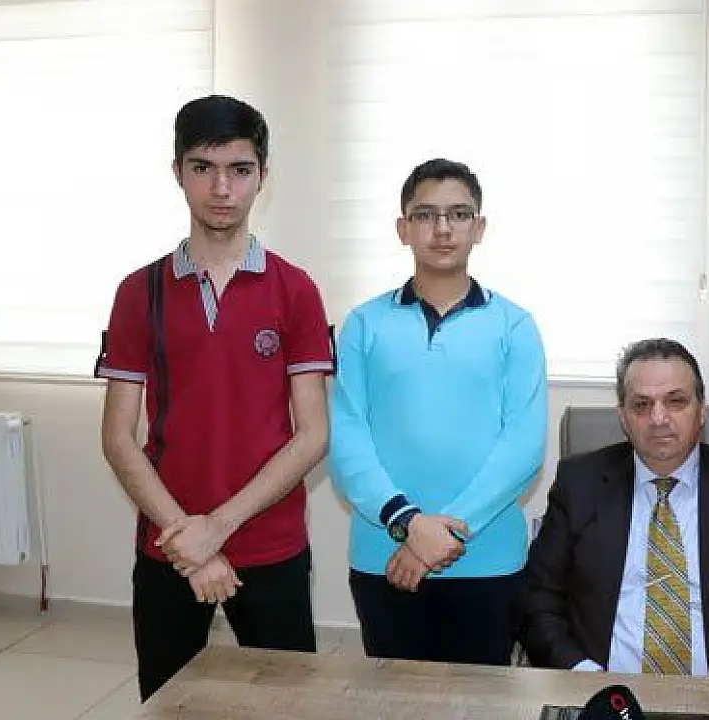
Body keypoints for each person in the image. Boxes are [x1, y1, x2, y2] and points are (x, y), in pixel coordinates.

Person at [95, 95, 333, 701]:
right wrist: (190, 541)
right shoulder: (138, 292)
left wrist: (218, 528)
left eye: (239, 169)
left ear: (263, 175)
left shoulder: (296, 289)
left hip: (271, 544)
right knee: (169, 704)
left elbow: (312, 435)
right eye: (203, 167)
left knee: (287, 705)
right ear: (178, 172)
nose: (222, 188)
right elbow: (118, 436)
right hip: (169, 545)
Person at [329, 158, 548, 666]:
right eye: (426, 215)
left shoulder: (515, 326)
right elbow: (347, 439)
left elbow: (522, 448)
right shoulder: (363, 324)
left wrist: (441, 534)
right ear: (403, 228)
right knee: (394, 697)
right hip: (385, 556)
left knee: (483, 700)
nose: (443, 228)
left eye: (459, 214)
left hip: (487, 561)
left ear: (480, 227)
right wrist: (407, 523)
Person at [521, 338, 709, 677]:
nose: (658, 418)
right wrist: (585, 677)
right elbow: (537, 601)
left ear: (702, 410)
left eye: (676, 401)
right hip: (601, 690)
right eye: (641, 405)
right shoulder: (579, 484)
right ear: (623, 417)